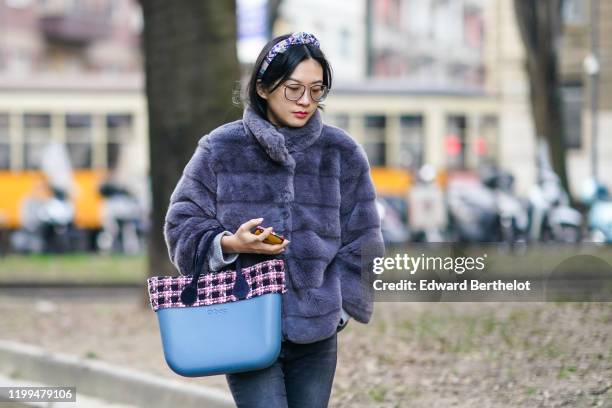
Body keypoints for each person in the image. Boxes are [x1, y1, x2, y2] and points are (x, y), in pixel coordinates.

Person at [164, 32, 385, 408]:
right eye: (293, 88)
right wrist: (230, 244)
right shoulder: (221, 147)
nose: (305, 101)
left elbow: (364, 238)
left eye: (316, 91)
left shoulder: (342, 152)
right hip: (245, 321)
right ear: (263, 87)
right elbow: (180, 223)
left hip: (317, 331)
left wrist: (343, 310)